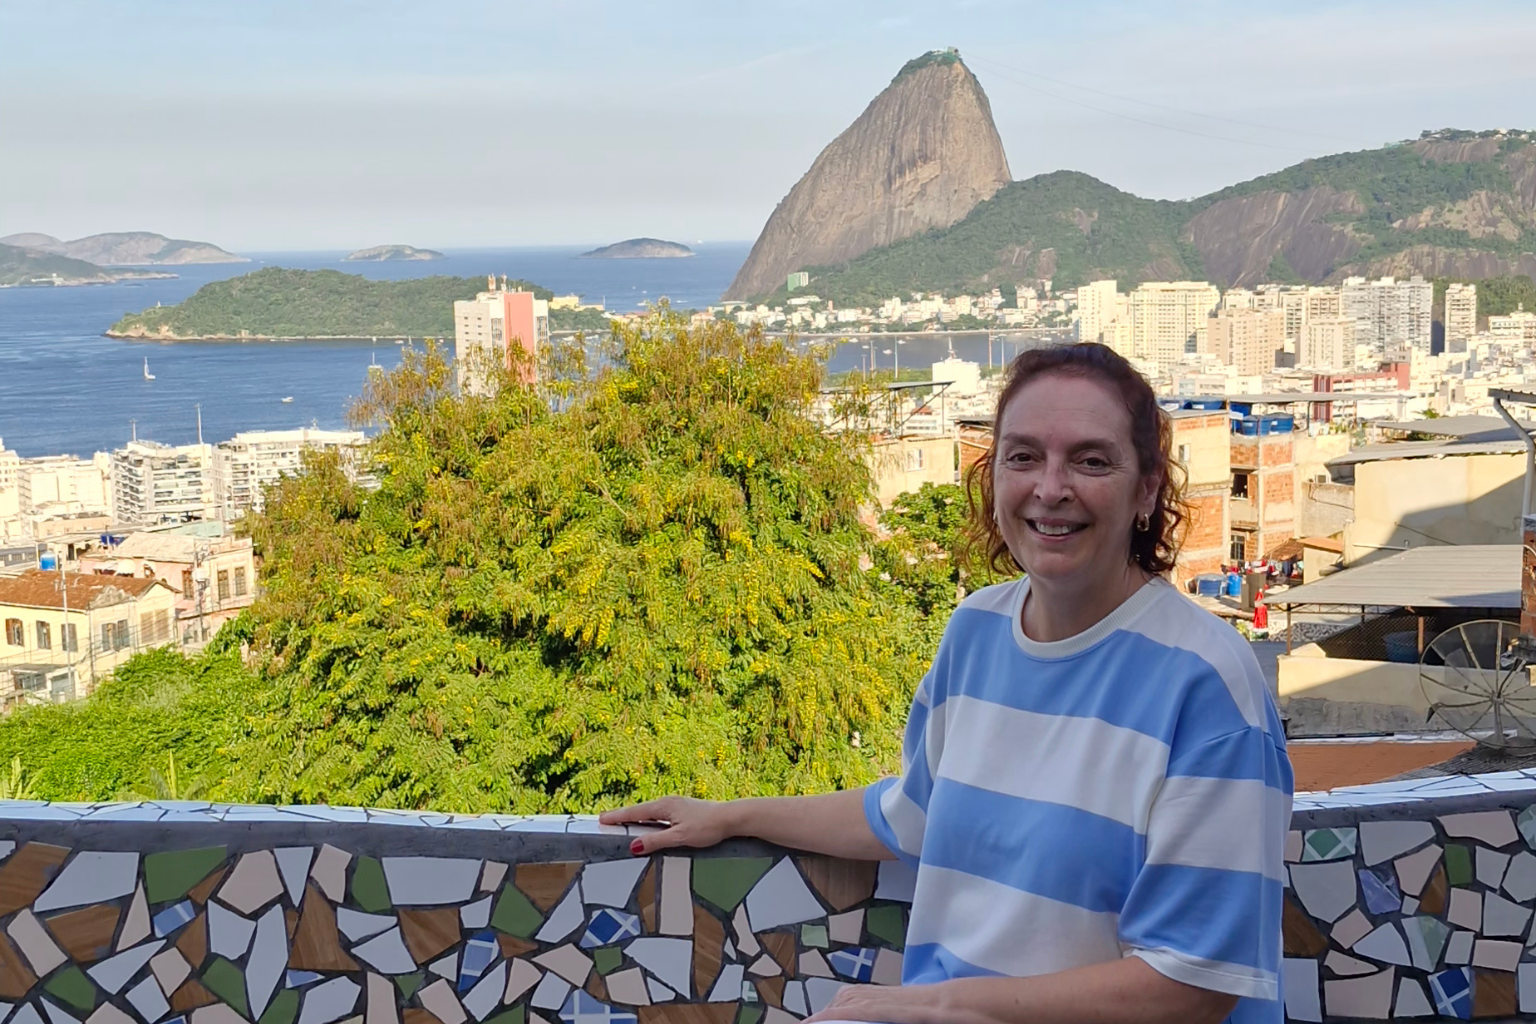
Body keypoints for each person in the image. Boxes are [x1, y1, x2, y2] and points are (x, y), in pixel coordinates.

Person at [601, 343, 1293, 1024]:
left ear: (1146, 489)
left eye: (1090, 460)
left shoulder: (1205, 682)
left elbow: (1193, 983)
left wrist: (933, 1002)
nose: (1051, 488)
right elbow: (912, 814)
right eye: (1023, 457)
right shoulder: (978, 630)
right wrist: (731, 816)